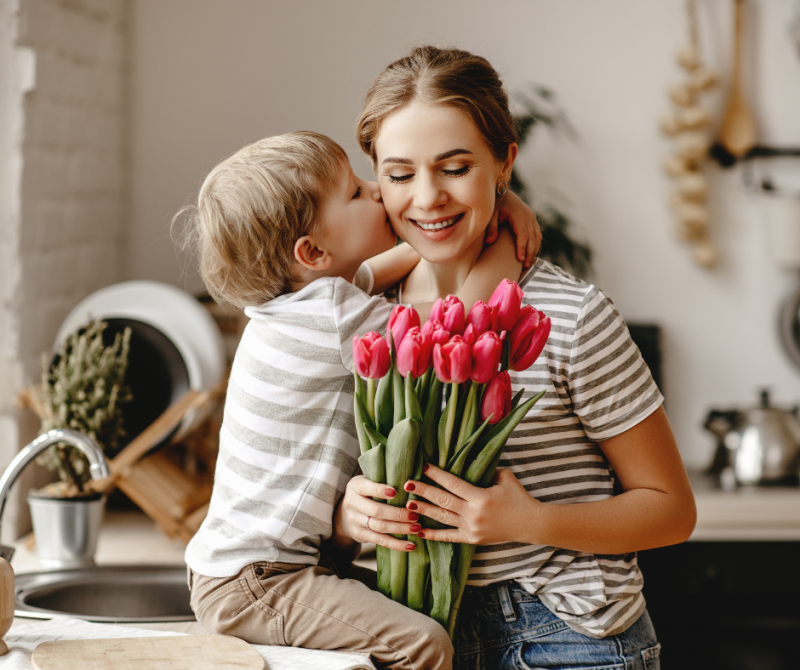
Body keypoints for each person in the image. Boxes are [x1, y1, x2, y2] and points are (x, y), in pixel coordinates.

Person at [338, 45, 696, 670]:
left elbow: (670, 509)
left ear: (504, 162)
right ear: (375, 179)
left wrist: (527, 521)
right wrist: (349, 518)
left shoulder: (573, 317)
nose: (427, 198)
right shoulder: (357, 314)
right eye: (400, 175)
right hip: (407, 635)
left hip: (569, 637)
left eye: (455, 167)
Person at [180, 130, 540, 670]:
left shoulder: (301, 302)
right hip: (259, 582)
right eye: (354, 192)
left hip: (248, 570)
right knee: (422, 641)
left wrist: (489, 200)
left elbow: (381, 269)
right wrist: (505, 235)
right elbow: (457, 324)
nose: (377, 191)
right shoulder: (330, 316)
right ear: (313, 253)